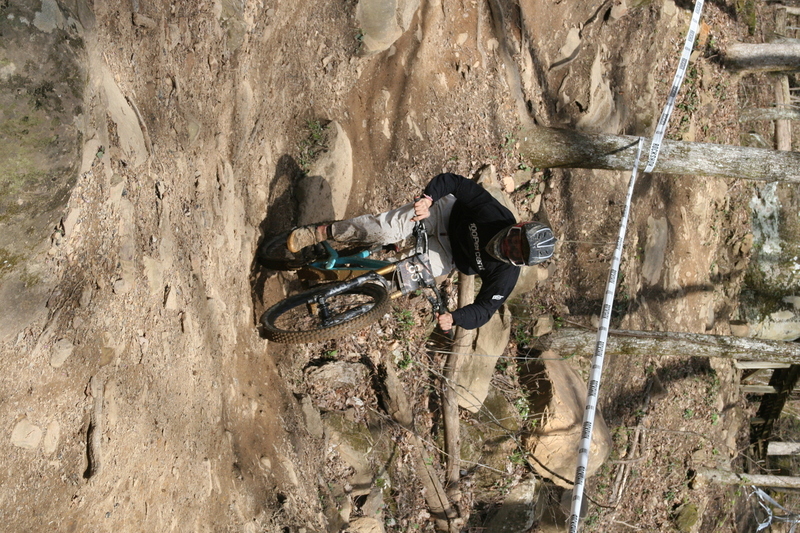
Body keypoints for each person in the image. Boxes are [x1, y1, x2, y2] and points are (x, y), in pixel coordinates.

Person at [287, 172, 555, 330]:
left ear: (520, 263)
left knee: (397, 281)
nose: (509, 246)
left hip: (446, 255)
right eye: (515, 239)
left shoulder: (505, 276)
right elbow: (456, 183)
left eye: (516, 253)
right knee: (388, 231)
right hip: (441, 214)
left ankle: (330, 291)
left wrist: (455, 317)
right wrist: (429, 199)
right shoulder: (495, 214)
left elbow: (485, 309)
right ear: (518, 226)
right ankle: (319, 233)